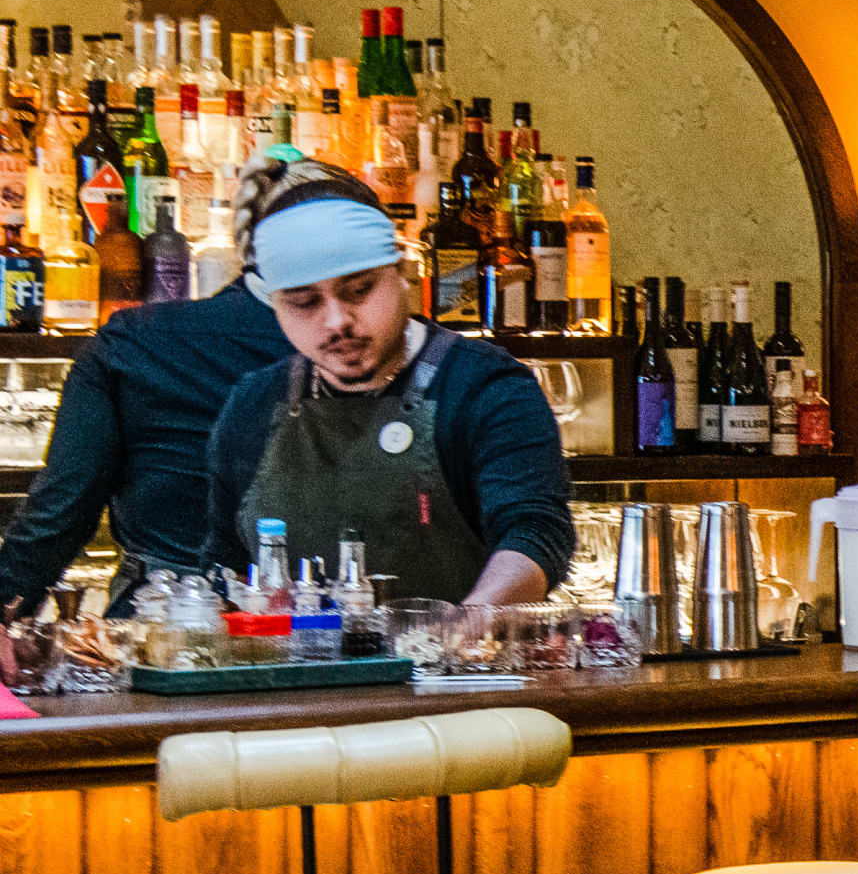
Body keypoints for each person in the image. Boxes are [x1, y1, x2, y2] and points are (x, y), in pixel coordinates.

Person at [204, 162, 571, 609]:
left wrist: (470, 622)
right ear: (275, 306)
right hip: (292, 671)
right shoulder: (254, 403)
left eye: (359, 290)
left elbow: (534, 533)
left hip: (457, 671)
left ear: (401, 272)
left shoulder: (486, 388)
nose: (337, 320)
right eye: (304, 302)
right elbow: (225, 564)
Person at [0, 247, 288, 613]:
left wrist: (6, 611)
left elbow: (61, 509)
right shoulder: (363, 350)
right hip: (336, 617)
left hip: (162, 614)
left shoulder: (132, 339)